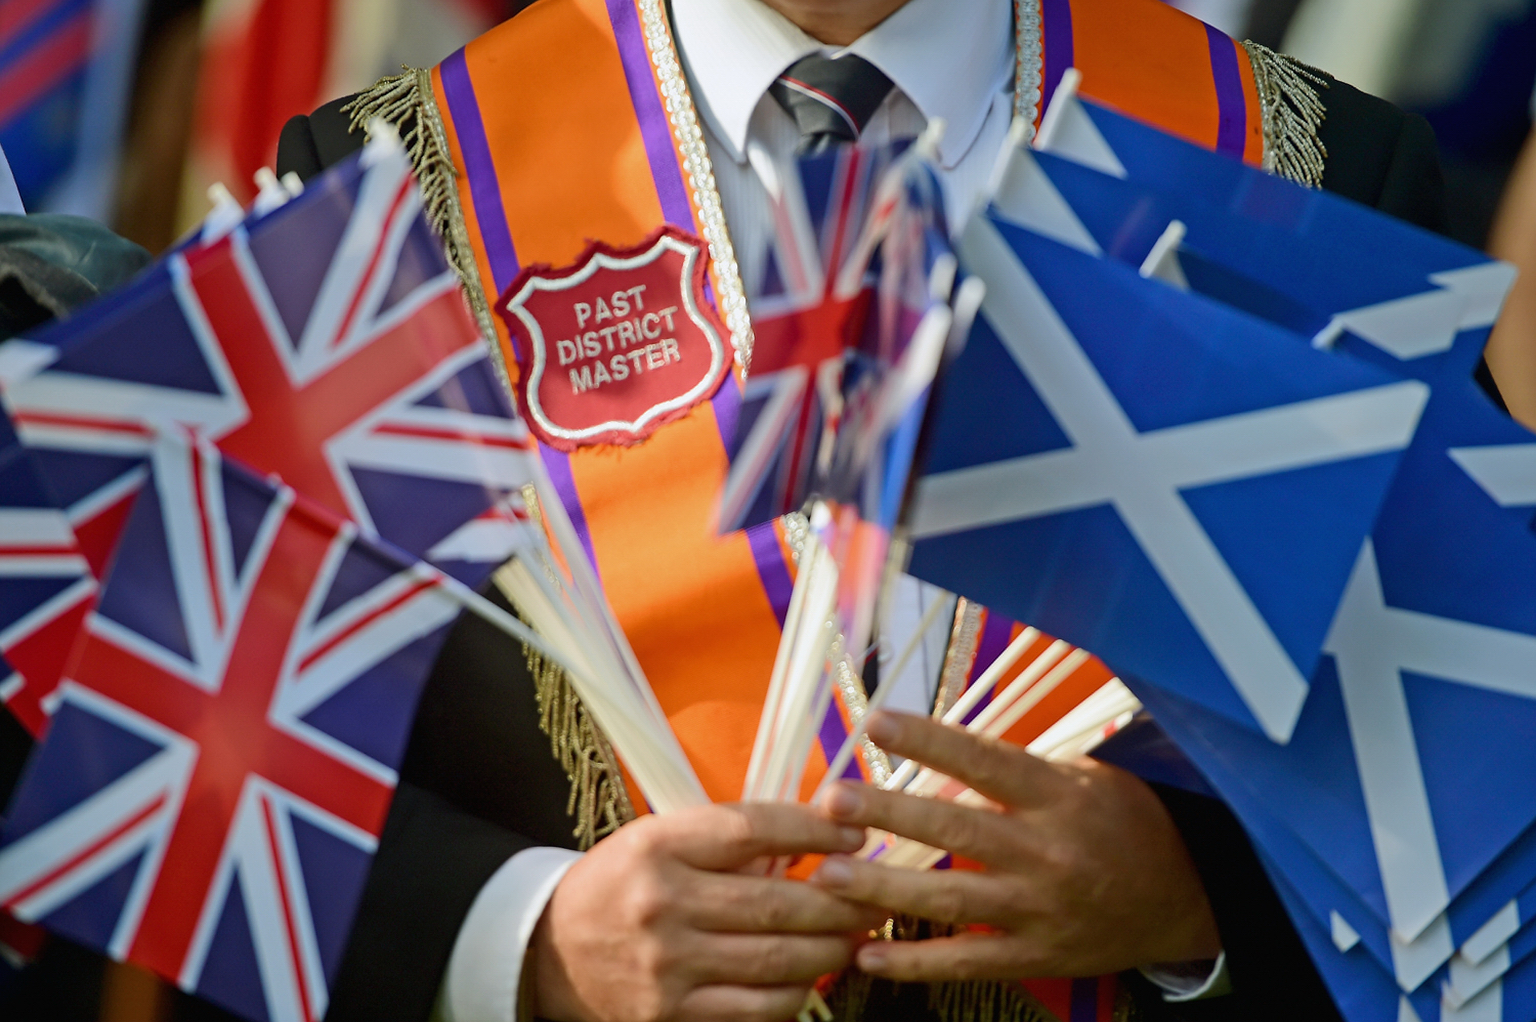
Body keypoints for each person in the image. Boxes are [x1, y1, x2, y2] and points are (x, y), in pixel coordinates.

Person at [276, 2, 1449, 1021]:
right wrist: (529, 939)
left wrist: (1201, 887)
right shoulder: (390, 189)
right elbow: (238, 777)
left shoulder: (1305, 163)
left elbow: (1467, 750)